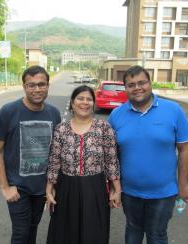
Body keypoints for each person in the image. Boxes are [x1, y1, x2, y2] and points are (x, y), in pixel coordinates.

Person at [108, 65, 188, 244]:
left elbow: (185, 148)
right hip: (129, 192)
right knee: (133, 230)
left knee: (157, 234)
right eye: (131, 84)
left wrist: (183, 184)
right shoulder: (116, 115)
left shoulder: (173, 110)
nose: (137, 88)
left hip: (163, 193)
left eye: (142, 82)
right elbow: (111, 155)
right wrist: (113, 187)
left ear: (150, 83)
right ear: (125, 88)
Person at [0, 65, 61, 244]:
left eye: (41, 84)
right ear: (24, 87)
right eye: (31, 85)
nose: (37, 89)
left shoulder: (53, 113)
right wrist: (5, 187)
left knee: (32, 228)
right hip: (18, 188)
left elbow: (56, 151)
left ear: (47, 86)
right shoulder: (8, 111)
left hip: (42, 187)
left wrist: (53, 185)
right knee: (21, 233)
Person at [46, 85, 122, 244]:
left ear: (93, 103)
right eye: (80, 98)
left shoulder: (103, 128)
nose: (85, 102)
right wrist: (49, 189)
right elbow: (54, 161)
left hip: (95, 188)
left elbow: (111, 160)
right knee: (66, 232)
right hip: (66, 187)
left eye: (89, 99)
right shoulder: (61, 129)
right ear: (72, 103)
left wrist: (117, 189)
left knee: (94, 232)